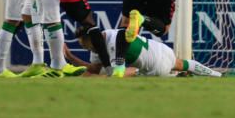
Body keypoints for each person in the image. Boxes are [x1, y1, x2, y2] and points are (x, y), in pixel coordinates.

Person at [71, 25, 220, 77]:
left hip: (155, 66)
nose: (83, 46)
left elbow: (96, 71)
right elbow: (94, 69)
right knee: (182, 64)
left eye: (83, 42)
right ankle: (216, 75)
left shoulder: (112, 41)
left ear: (91, 38)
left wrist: (69, 57)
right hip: (160, 49)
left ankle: (173, 77)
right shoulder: (102, 41)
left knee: (120, 74)